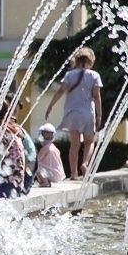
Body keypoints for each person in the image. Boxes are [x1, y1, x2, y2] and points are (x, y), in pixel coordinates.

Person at [44, 47, 103, 177]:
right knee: (89, 142)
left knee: (74, 144)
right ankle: (85, 163)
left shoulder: (69, 75)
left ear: (76, 61)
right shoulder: (94, 75)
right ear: (91, 62)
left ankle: (73, 173)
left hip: (71, 113)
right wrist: (99, 115)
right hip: (88, 113)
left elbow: (60, 91)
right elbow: (96, 96)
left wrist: (50, 106)